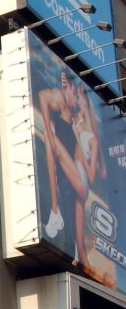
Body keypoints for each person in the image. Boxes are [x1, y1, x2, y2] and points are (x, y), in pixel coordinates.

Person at [38, 72, 106, 271]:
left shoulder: (92, 139)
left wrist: (79, 155)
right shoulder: (73, 121)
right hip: (76, 183)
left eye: (81, 103)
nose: (77, 103)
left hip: (82, 181)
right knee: (77, 246)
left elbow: (93, 175)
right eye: (77, 99)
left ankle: (54, 209)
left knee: (50, 138)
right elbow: (44, 95)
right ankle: (86, 268)